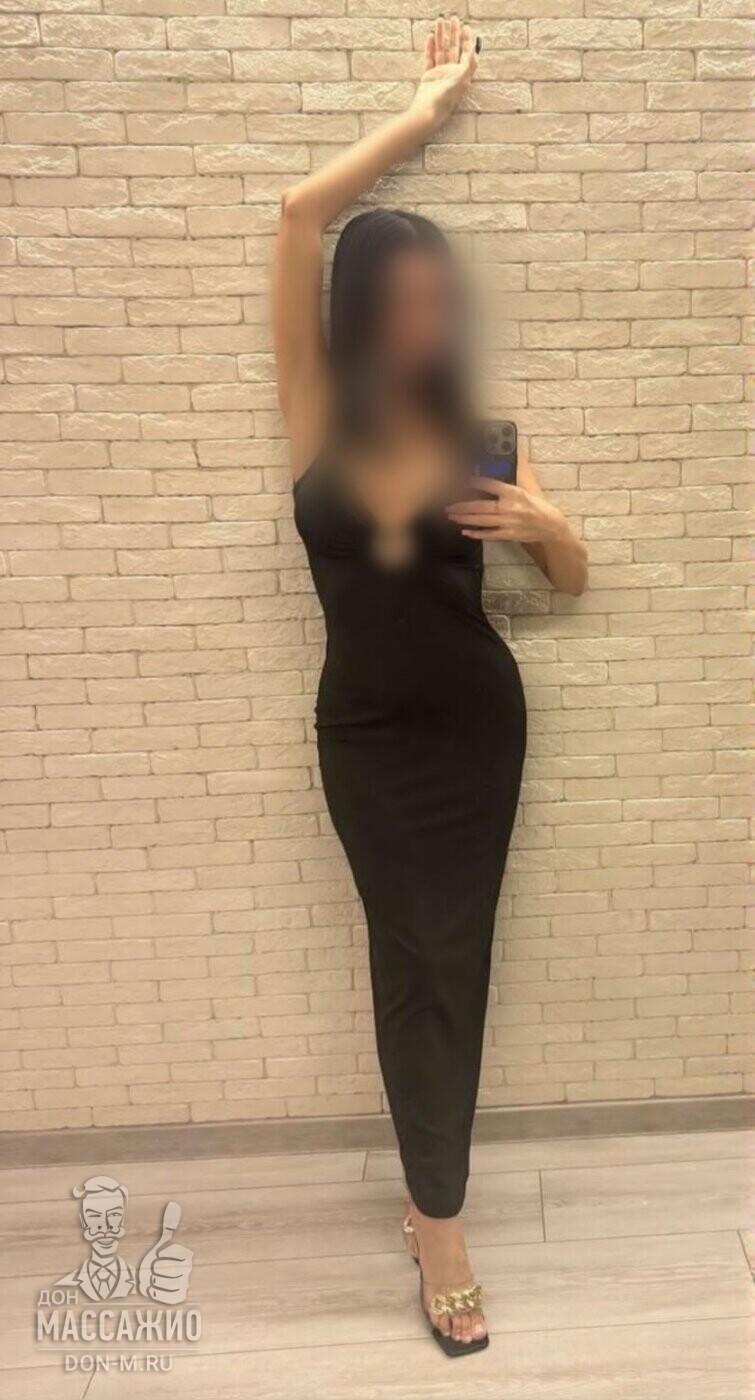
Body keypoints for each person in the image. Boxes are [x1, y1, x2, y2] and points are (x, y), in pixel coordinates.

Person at [272, 16, 588, 1357]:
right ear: (360, 310)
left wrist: (551, 527)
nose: (424, 319)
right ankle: (436, 1215)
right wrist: (422, 113)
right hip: (367, 739)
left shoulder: (479, 433)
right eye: (400, 299)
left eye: (436, 299)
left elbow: (568, 583)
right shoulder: (315, 411)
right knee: (411, 962)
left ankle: (436, 1215)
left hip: (476, 731)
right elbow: (300, 215)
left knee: (458, 963)